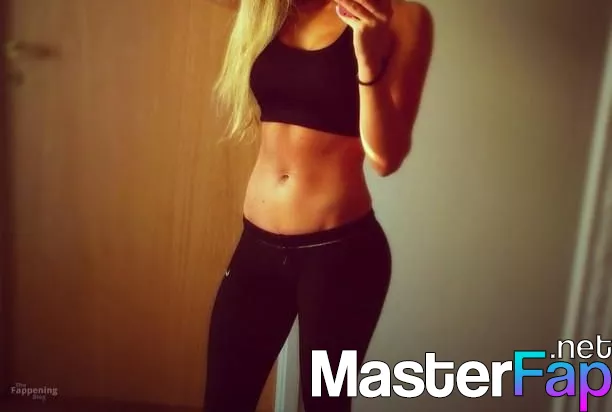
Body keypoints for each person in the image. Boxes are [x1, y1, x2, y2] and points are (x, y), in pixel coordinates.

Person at [204, 0, 433, 410]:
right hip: (256, 250)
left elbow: (386, 157)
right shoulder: (276, 8)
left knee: (325, 405)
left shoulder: (403, 17)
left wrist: (368, 60)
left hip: (340, 257)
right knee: (224, 401)